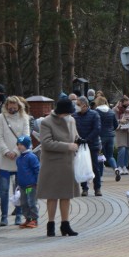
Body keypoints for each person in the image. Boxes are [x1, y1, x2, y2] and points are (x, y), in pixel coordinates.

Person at [37, 98, 80, 237]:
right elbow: (46, 142)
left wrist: (81, 141)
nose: (68, 116)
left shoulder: (71, 120)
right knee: (52, 195)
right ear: (61, 112)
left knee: (66, 195)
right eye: (67, 113)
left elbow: (75, 136)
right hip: (52, 163)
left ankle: (65, 225)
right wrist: (67, 146)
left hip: (68, 162)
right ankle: (50, 225)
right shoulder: (46, 122)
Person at [0, 96, 31, 226]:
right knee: (4, 188)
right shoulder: (1, 117)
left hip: (19, 158)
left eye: (14, 105)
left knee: (19, 189)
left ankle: (18, 214)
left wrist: (16, 151)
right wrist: (6, 151)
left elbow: (25, 136)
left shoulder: (24, 117)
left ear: (19, 106)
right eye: (9, 105)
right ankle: (4, 216)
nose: (12, 108)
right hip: (4, 159)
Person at [73, 96, 102, 196]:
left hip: (92, 145)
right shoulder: (75, 116)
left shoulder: (94, 114)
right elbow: (72, 129)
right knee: (82, 166)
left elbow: (97, 129)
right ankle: (84, 188)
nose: (76, 107)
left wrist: (87, 139)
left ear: (85, 105)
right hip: (80, 144)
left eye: (78, 104)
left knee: (95, 167)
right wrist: (78, 139)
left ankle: (97, 188)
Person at [15, 135, 41, 229]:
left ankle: (34, 219)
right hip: (22, 186)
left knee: (31, 202)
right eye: (18, 144)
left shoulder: (31, 157)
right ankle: (28, 218)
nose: (19, 146)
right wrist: (18, 184)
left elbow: (37, 170)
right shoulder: (19, 159)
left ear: (26, 145)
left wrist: (37, 182)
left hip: (31, 185)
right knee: (24, 202)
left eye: (21, 144)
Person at [94, 96, 119, 182]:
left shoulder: (96, 112)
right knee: (110, 156)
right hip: (111, 136)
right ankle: (116, 169)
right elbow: (116, 125)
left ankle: (100, 176)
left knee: (100, 157)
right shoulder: (111, 112)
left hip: (100, 137)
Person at [113, 95, 129, 176]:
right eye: (126, 102)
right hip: (119, 130)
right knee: (122, 148)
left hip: (128, 130)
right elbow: (114, 120)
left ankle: (125, 166)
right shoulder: (115, 110)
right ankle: (119, 166)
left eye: (128, 102)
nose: (127, 104)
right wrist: (120, 121)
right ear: (121, 103)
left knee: (127, 149)